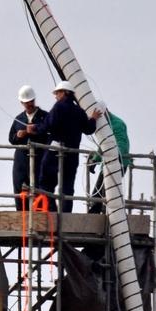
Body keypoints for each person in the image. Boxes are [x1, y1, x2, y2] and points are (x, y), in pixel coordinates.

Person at [38, 81, 103, 213]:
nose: (56, 96)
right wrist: (93, 119)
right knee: (68, 186)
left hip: (54, 153)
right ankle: (66, 214)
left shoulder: (58, 107)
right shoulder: (79, 111)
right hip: (72, 154)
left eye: (57, 93)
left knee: (45, 183)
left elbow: (48, 125)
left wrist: (35, 128)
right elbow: (88, 129)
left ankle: (51, 211)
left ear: (63, 93)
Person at [8, 85, 49, 209]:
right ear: (22, 102)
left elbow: (50, 137)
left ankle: (40, 219)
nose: (29, 104)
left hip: (39, 160)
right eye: (26, 102)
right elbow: (11, 139)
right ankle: (21, 218)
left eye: (31, 101)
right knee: (19, 191)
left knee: (39, 191)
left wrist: (35, 132)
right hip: (21, 162)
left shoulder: (44, 117)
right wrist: (19, 135)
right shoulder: (19, 119)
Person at [88, 110, 131, 212]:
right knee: (97, 194)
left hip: (118, 164)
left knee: (107, 194)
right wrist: (95, 160)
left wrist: (116, 158)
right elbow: (103, 144)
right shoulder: (105, 125)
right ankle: (95, 214)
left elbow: (121, 143)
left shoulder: (117, 124)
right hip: (108, 164)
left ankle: (100, 215)